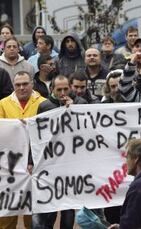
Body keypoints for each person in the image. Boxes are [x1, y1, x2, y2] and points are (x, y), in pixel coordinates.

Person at [33, 75, 86, 229]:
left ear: (70, 87)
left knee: (68, 210)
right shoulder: (44, 106)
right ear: (52, 90)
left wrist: (73, 109)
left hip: (71, 166)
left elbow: (87, 130)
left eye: (65, 89)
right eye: (59, 89)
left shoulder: (80, 103)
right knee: (48, 211)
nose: (63, 92)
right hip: (50, 166)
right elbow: (37, 135)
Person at [0, 71, 46, 229]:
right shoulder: (3, 104)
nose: (21, 88)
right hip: (9, 167)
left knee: (34, 214)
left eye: (25, 84)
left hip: (35, 165)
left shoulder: (44, 103)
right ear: (13, 86)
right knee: (7, 212)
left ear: (32, 84)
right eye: (18, 85)